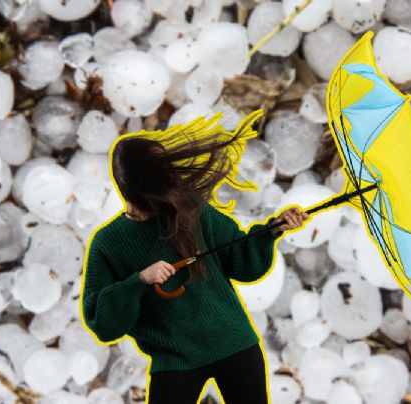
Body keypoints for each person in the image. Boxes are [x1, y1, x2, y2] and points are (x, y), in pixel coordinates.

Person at [80, 111, 309, 404]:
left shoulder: (191, 210)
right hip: (175, 360)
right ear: (134, 188)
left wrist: (270, 232)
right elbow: (103, 325)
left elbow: (243, 264)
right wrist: (138, 282)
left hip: (234, 343)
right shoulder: (108, 243)